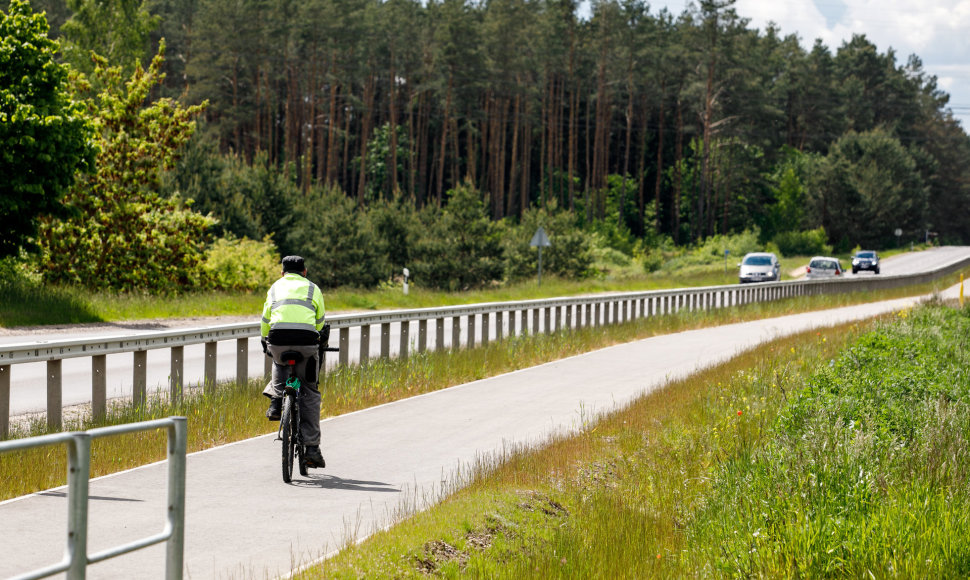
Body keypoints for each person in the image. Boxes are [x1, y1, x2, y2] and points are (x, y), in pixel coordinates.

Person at [260, 255, 327, 468]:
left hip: (278, 339)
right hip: (306, 343)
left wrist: (265, 339)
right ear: (304, 272)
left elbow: (265, 319)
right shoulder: (313, 288)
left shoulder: (275, 287)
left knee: (278, 360)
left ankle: (276, 401)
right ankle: (312, 448)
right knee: (309, 390)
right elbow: (320, 321)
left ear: (282, 273)